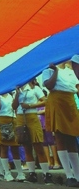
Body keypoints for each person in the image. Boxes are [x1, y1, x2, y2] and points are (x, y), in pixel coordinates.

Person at [43, 57, 79, 187]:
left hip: (69, 103)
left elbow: (76, 86)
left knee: (72, 139)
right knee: (60, 138)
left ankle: (77, 175)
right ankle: (69, 176)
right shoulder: (48, 70)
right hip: (56, 101)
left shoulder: (71, 71)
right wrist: (55, 70)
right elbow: (49, 85)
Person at [13, 79, 54, 184]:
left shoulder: (35, 89)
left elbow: (45, 101)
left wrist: (30, 106)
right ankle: (32, 174)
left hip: (32, 117)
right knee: (26, 146)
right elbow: (14, 106)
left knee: (38, 146)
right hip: (20, 118)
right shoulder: (16, 91)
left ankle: (46, 174)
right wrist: (17, 94)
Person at [0, 93, 26, 182]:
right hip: (2, 121)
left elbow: (14, 107)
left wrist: (17, 95)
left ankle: (20, 173)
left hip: (12, 120)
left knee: (15, 147)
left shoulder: (11, 95)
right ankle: (7, 173)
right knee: (4, 148)